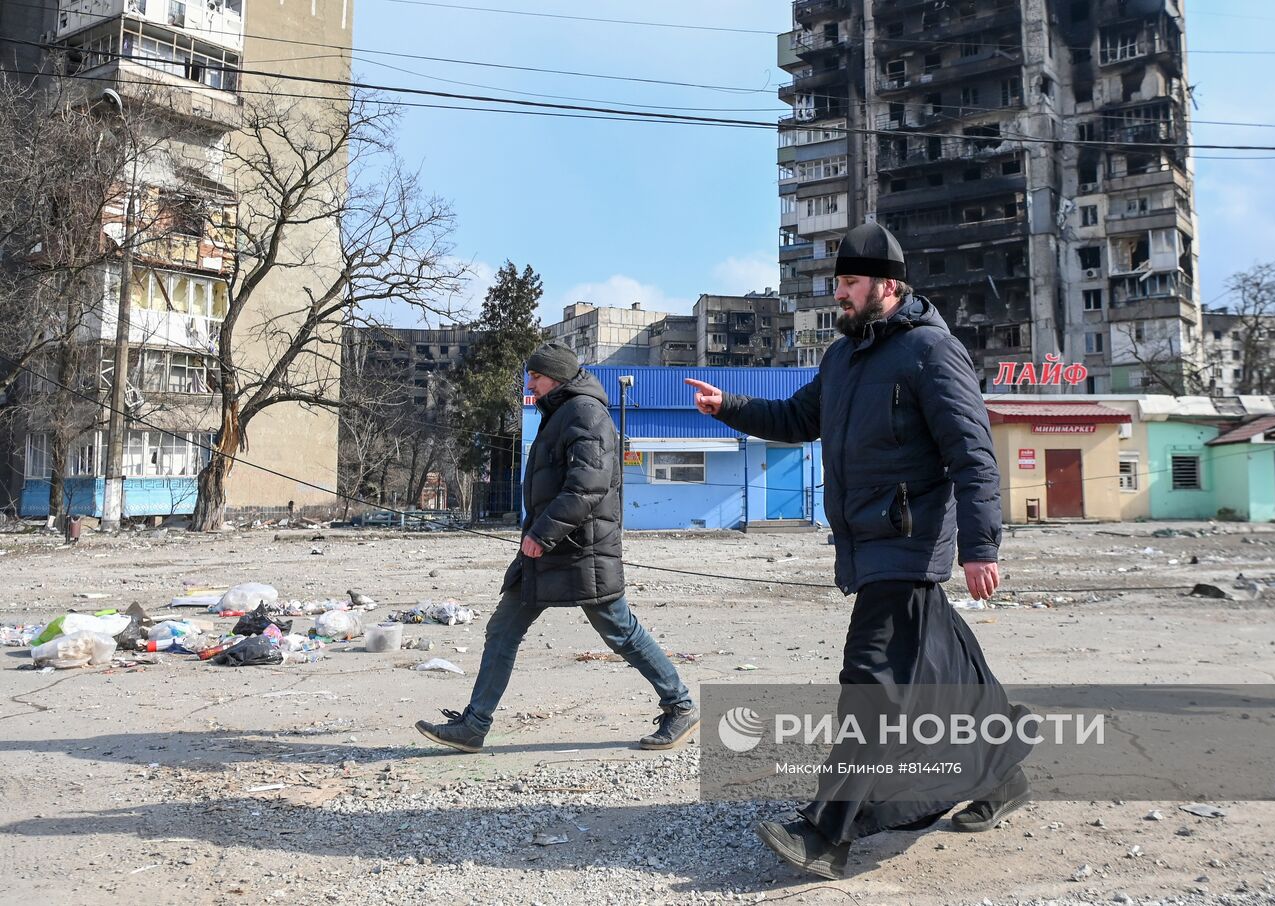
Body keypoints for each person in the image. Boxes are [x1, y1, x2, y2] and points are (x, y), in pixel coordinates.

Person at [685, 223, 1029, 879]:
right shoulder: (841, 360)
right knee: (952, 680)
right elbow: (794, 420)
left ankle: (827, 831)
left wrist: (981, 545)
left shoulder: (932, 352)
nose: (838, 294)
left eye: (848, 283)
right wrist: (729, 405)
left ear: (888, 287)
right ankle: (1001, 774)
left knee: (870, 682)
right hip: (867, 547)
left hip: (907, 544)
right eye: (836, 283)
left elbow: (973, 456)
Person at [417, 342, 699, 753]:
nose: (529, 382)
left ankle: (681, 705)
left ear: (558, 377)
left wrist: (541, 534)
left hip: (580, 549)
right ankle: (474, 726)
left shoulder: (586, 413)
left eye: (536, 375)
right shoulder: (559, 413)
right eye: (529, 375)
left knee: (619, 630)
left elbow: (588, 485)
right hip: (550, 547)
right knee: (503, 629)